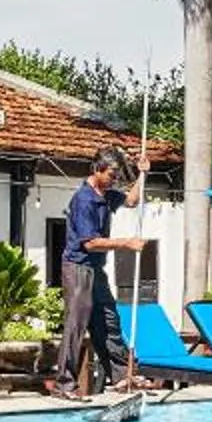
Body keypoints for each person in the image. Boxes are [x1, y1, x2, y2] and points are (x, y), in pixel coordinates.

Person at [49, 148, 148, 399]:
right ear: (97, 170)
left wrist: (143, 174)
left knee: (109, 320)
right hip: (78, 267)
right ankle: (64, 384)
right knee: (76, 325)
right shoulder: (84, 200)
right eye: (111, 175)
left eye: (116, 175)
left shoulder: (105, 194)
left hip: (96, 269)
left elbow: (132, 201)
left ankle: (120, 376)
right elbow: (90, 243)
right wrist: (126, 243)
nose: (114, 180)